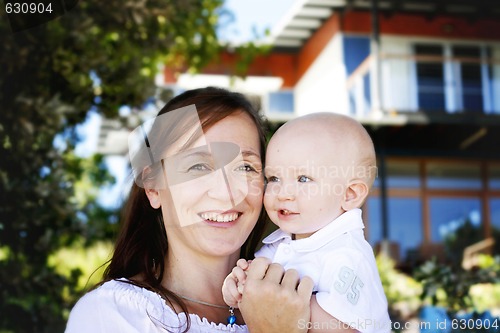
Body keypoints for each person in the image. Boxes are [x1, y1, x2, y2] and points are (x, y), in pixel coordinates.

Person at [65, 87, 314, 333]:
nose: (226, 192)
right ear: (153, 188)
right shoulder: (111, 314)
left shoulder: (310, 297)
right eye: (198, 167)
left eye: (245, 167)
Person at [222, 113, 391, 333]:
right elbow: (254, 292)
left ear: (349, 194)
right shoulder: (279, 244)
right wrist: (238, 285)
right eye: (274, 178)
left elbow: (347, 327)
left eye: (303, 179)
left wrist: (280, 304)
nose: (283, 193)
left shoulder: (346, 256)